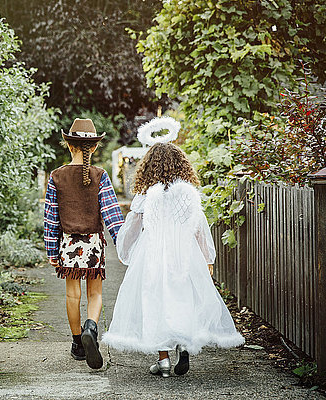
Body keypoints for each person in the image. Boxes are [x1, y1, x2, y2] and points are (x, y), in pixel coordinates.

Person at [102, 142, 244, 377]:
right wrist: (207, 257)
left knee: (156, 302)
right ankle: (183, 346)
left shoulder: (146, 195)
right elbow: (199, 228)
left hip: (153, 255)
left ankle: (163, 360)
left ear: (149, 167)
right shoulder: (188, 193)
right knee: (182, 298)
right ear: (181, 165)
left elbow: (133, 226)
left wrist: (125, 249)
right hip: (185, 253)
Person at [44, 118, 124, 369]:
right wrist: (123, 244)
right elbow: (112, 214)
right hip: (93, 244)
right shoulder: (100, 176)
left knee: (72, 294)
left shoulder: (57, 176)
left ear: (70, 146)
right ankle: (91, 327)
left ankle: (78, 342)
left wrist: (51, 249)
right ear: (95, 147)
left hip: (69, 244)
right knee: (95, 293)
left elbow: (51, 217)